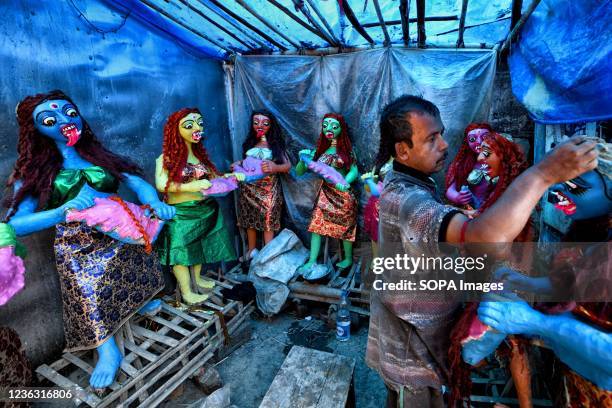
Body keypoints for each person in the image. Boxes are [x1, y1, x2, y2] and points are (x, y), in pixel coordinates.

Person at [365, 95, 598, 407]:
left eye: (442, 134)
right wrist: (544, 173)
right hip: (412, 353)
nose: (445, 145)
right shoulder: (407, 200)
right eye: (432, 139)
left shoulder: (417, 185)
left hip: (418, 333)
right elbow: (483, 238)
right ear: (402, 150)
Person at [5, 90, 176, 389]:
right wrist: (60, 212)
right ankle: (106, 350)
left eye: (69, 113)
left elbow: (135, 182)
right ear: (36, 129)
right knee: (88, 290)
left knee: (136, 267)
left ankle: (137, 305)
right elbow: (15, 224)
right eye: (50, 118)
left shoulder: (96, 156)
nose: (63, 121)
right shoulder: (34, 172)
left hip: (122, 228)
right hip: (78, 243)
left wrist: (153, 204)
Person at [155, 108, 239, 305]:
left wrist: (232, 176)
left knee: (199, 247)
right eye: (189, 125)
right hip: (181, 214)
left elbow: (214, 177)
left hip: (205, 210)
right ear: (175, 129)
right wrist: (191, 185)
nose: (197, 128)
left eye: (199, 123)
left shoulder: (200, 157)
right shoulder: (165, 158)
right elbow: (161, 184)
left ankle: (198, 279)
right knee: (181, 252)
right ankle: (186, 292)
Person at [296, 113, 359, 272]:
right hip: (325, 195)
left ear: (341, 129)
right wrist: (302, 159)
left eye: (333, 126)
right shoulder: (320, 151)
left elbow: (354, 170)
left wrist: (345, 182)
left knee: (346, 228)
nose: (329, 129)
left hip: (343, 194)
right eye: (325, 126)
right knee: (316, 226)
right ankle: (312, 259)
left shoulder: (347, 151)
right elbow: (300, 172)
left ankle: (348, 259)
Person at [232, 110, 291, 260]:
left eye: (265, 123)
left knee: (267, 221)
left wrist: (275, 167)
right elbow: (248, 162)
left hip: (268, 190)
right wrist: (239, 164)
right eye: (256, 122)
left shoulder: (275, 145)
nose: (260, 125)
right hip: (248, 189)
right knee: (249, 219)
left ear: (271, 126)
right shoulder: (250, 143)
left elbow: (288, 166)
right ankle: (251, 251)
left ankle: (267, 254)